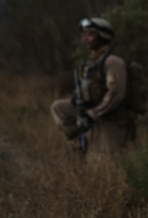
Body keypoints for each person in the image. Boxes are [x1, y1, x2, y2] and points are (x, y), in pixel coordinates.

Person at [50, 17, 134, 156]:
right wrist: (77, 97)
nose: (86, 39)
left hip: (111, 116)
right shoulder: (91, 62)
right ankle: (78, 139)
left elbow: (116, 93)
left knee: (107, 162)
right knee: (59, 108)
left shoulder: (113, 61)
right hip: (92, 111)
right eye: (85, 35)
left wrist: (93, 114)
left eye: (91, 35)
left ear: (103, 36)